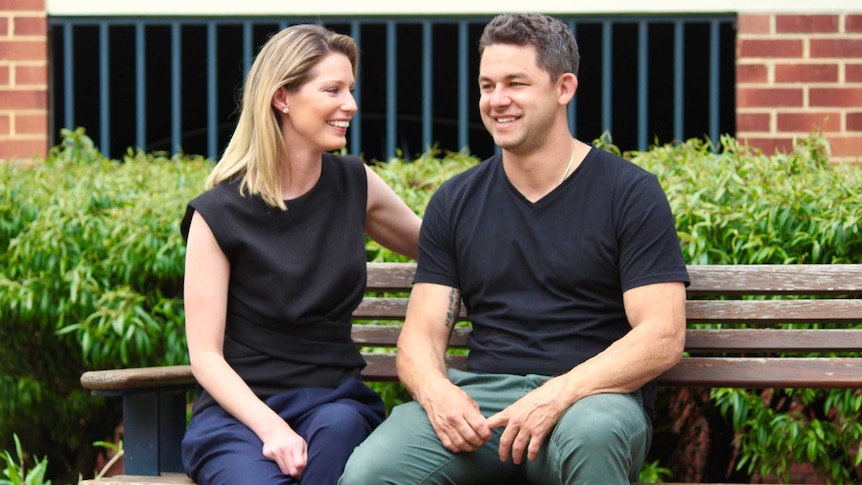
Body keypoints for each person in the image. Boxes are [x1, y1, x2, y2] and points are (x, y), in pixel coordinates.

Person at [340, 13, 689, 485]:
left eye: (516, 83)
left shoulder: (629, 193)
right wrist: (435, 391)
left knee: (594, 434)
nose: (497, 100)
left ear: (563, 88)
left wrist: (559, 394)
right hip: (483, 407)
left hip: (591, 401)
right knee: (371, 471)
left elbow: (662, 336)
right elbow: (420, 336)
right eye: (487, 85)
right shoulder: (456, 200)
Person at [180, 24, 421, 485]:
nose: (349, 104)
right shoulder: (217, 214)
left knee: (340, 430)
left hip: (334, 405)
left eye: (350, 89)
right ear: (282, 98)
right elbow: (205, 356)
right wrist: (271, 429)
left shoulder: (356, 184)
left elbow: (436, 245)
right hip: (240, 417)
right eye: (332, 89)